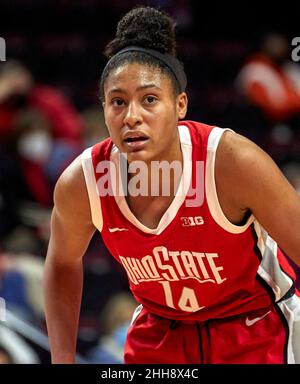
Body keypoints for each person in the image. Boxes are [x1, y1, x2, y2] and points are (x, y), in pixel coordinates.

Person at [44, 6, 300, 364]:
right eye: (117, 102)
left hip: (256, 329)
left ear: (180, 105)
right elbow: (61, 263)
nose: (131, 116)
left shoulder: (231, 162)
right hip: (163, 335)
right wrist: (61, 359)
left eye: (149, 99)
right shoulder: (82, 182)